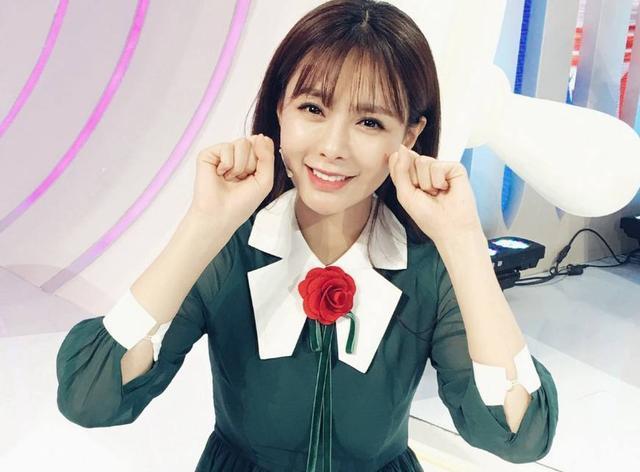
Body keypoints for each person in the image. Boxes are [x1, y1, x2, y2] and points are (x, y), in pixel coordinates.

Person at [56, 1, 559, 471]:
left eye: (369, 121)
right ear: (280, 109)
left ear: (408, 136)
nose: (333, 147)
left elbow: (520, 436)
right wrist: (202, 225)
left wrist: (463, 242)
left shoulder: (426, 266)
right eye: (313, 109)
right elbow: (89, 398)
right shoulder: (231, 247)